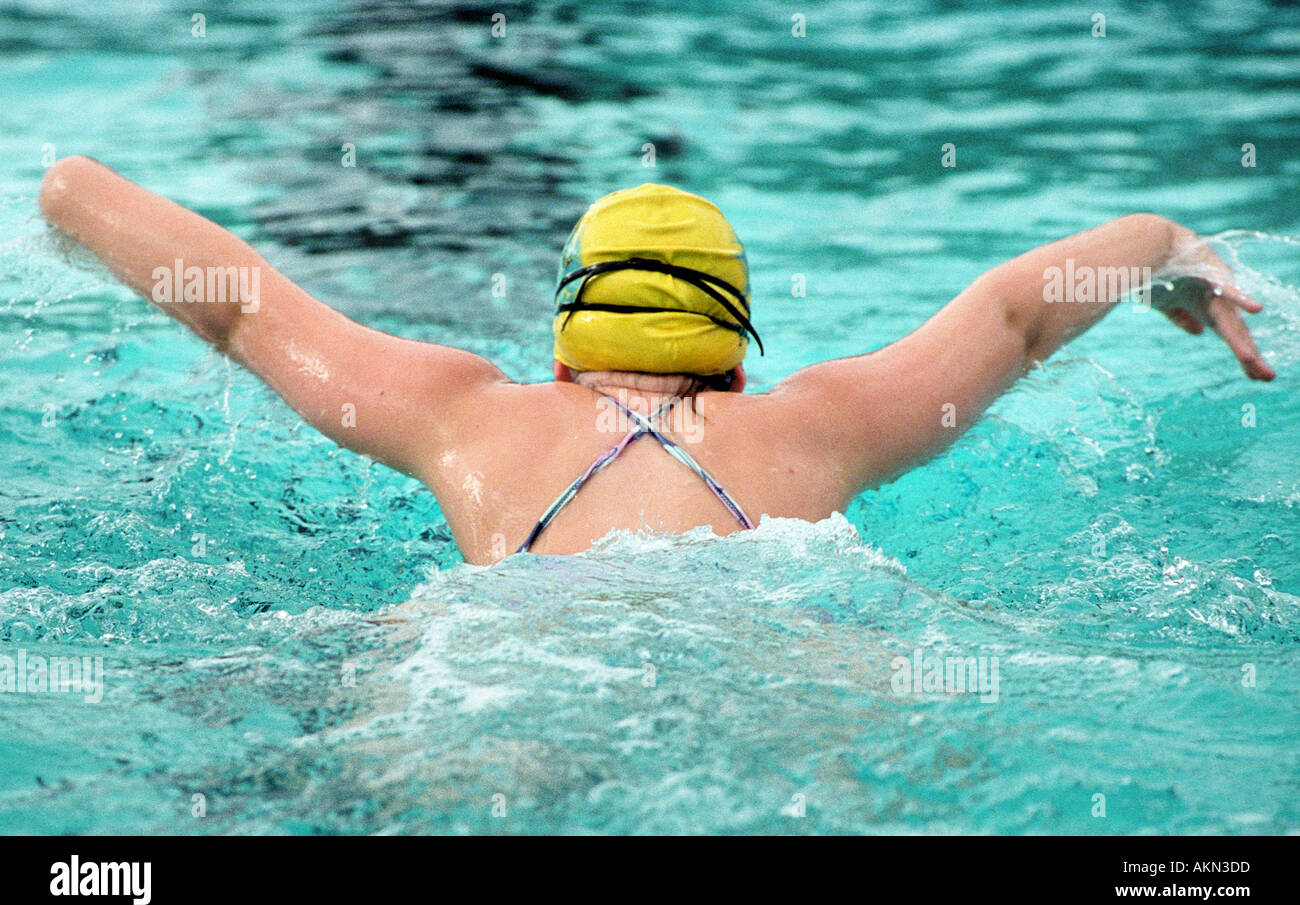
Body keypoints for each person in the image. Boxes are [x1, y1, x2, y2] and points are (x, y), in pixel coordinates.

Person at [38, 157, 1275, 565]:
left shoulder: (463, 417)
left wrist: (67, 189)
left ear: (564, 351)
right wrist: (1172, 247)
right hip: (780, 639)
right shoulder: (817, 429)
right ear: (735, 360)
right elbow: (1013, 315)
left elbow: (240, 308)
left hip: (498, 660)